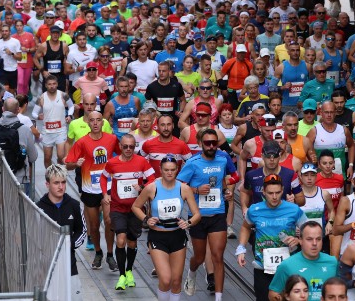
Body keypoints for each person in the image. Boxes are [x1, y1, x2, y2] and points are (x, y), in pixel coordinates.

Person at [178, 127, 238, 299]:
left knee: (218, 257)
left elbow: (232, 176)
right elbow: (179, 186)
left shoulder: (223, 159)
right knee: (199, 257)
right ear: (200, 144)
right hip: (197, 217)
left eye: (214, 143)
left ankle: (219, 297)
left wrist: (227, 190)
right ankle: (192, 272)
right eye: (208, 143)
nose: (211, 146)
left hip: (218, 215)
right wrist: (196, 190)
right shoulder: (192, 163)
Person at [131, 155, 201, 301]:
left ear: (177, 170)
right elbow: (136, 207)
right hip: (158, 236)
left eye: (173, 170)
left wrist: (188, 223)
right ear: (160, 170)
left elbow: (197, 215)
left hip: (177, 236)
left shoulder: (184, 188)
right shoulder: (151, 188)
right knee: (165, 279)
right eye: (166, 170)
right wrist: (146, 219)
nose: (169, 173)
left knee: (176, 281)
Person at [64, 109, 119, 270]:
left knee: (109, 221)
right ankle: (98, 252)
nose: (95, 123)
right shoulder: (81, 142)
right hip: (89, 188)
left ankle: (110, 254)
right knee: (94, 226)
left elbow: (123, 155)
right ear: (88, 122)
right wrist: (76, 164)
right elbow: (67, 164)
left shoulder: (112, 139)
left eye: (98, 120)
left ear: (103, 122)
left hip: (107, 187)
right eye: (92, 120)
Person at [237, 173, 308, 299]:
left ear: (282, 191)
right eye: (270, 193)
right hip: (263, 268)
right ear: (263, 192)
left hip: (288, 268)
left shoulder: (294, 209)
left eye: (278, 193)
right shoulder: (254, 210)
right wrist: (241, 247)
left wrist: (298, 240)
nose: (274, 197)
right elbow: (245, 227)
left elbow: (310, 231)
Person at [101, 133, 155, 290]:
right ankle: (122, 275)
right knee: (121, 240)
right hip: (118, 207)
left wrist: (143, 187)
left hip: (135, 208)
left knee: (132, 242)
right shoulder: (112, 163)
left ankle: (129, 270)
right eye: (125, 146)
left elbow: (152, 179)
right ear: (120, 147)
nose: (129, 149)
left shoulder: (142, 161)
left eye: (132, 146)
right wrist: (105, 194)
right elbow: (103, 178)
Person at [36, 164, 86, 301]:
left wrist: (70, 245)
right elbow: (31, 235)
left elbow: (82, 230)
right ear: (47, 184)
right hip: (46, 269)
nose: (61, 186)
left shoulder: (74, 205)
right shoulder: (38, 208)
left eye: (63, 182)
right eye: (56, 183)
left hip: (70, 266)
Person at [268, 220, 338, 301]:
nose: (314, 243)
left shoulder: (332, 262)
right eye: (309, 239)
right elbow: (273, 294)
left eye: (318, 239)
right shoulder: (286, 265)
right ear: (300, 240)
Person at [32, 75, 75, 168]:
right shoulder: (41, 98)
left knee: (61, 156)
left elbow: (71, 106)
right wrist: (38, 117)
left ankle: (59, 174)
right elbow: (34, 113)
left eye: (54, 84)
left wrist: (70, 115)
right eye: (49, 84)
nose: (52, 86)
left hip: (61, 130)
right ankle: (50, 176)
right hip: (47, 132)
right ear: (46, 85)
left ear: (57, 84)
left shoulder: (63, 95)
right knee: (47, 157)